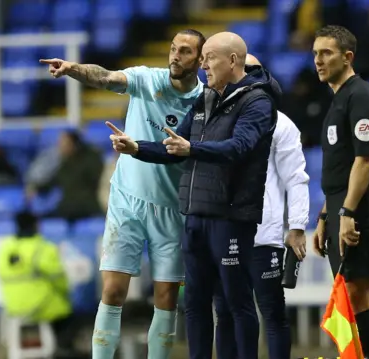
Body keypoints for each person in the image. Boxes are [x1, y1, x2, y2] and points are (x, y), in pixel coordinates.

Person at [107, 32, 281, 359]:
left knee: (235, 301)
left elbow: (239, 147)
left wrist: (192, 148)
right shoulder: (205, 99)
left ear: (233, 61)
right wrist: (136, 148)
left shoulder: (258, 101)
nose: (202, 64)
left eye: (209, 57)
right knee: (196, 304)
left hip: (230, 216)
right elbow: (176, 148)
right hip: (195, 213)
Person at [40, 29, 206, 359]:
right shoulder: (147, 79)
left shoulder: (204, 102)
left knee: (167, 299)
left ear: (200, 60)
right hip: (127, 200)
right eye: (173, 48)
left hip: (172, 208)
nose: (175, 55)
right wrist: (73, 68)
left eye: (185, 51)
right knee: (113, 291)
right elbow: (105, 78)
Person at [212, 54, 309, 359]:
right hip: (222, 232)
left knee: (272, 313)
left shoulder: (280, 124)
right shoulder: (214, 118)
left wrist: (296, 228)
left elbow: (296, 178)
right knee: (225, 313)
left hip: (262, 236)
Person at [310, 25, 369, 359]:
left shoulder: (360, 96)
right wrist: (326, 215)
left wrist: (346, 213)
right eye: (315, 53)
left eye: (326, 53)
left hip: (360, 208)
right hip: (341, 207)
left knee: (359, 293)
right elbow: (341, 167)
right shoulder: (339, 99)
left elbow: (365, 160)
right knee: (353, 293)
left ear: (348, 57)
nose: (318, 60)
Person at [0, 211, 83, 359]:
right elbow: (60, 280)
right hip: (41, 306)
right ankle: (65, 349)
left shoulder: (5, 248)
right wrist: (66, 294)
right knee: (67, 313)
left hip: (13, 306)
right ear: (36, 226)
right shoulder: (43, 248)